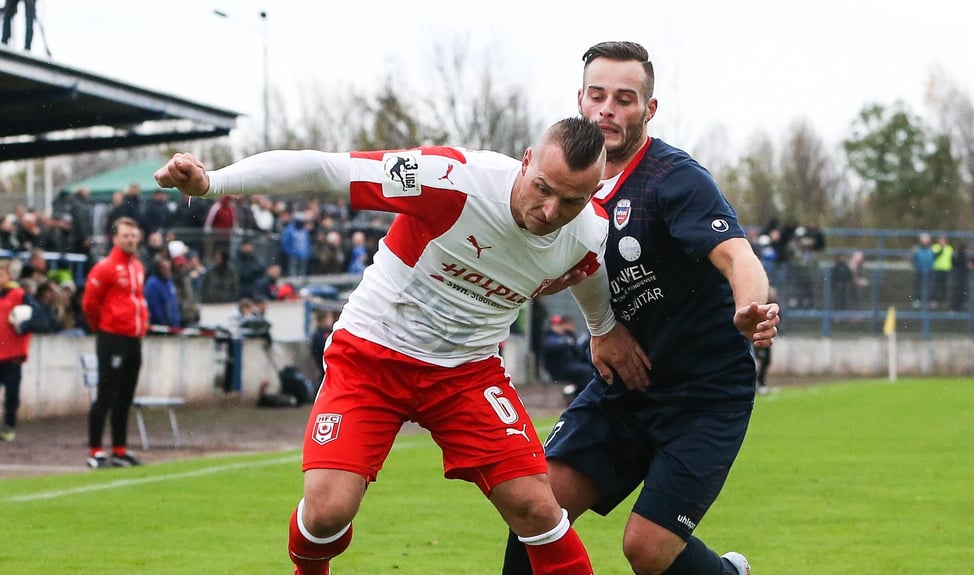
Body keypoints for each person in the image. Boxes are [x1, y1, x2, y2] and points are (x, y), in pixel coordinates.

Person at [155, 116, 652, 575]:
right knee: (326, 514)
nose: (550, 212)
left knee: (537, 507)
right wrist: (213, 182)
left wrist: (603, 326)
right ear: (525, 161)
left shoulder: (587, 233)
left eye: (571, 202)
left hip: (466, 374)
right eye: (543, 189)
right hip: (371, 356)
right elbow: (324, 168)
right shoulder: (450, 180)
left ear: (593, 194)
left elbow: (592, 275)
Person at [502, 42, 779, 575]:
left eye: (625, 99)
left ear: (648, 110)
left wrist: (750, 306)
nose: (608, 109)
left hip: (703, 395)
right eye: (598, 95)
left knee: (647, 550)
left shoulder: (673, 179)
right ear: (579, 101)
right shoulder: (559, 184)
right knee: (535, 509)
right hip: (623, 386)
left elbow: (737, 254)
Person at [82, 216, 149, 469]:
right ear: (115, 238)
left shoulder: (138, 267)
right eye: (125, 236)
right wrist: (102, 327)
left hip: (134, 337)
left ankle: (120, 449)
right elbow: (90, 303)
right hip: (112, 337)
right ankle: (96, 449)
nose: (130, 240)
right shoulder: (106, 268)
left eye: (133, 235)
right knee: (106, 394)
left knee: (125, 397)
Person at [0, 258, 47, 442]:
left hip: (12, 355)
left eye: (1, 275)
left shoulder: (20, 296)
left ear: (9, 276)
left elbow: (42, 317)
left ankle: (9, 427)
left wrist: (23, 325)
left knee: (11, 395)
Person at [540, 315, 593, 400]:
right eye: (555, 325)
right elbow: (551, 346)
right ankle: (585, 398)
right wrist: (567, 342)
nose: (558, 328)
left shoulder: (567, 336)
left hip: (569, 366)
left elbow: (578, 351)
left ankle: (578, 395)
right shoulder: (549, 337)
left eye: (560, 325)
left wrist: (571, 335)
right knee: (586, 372)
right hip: (558, 369)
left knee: (588, 371)